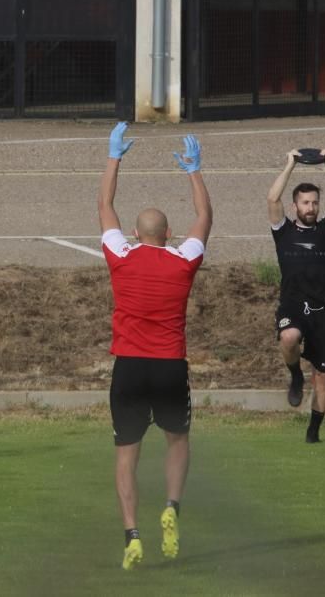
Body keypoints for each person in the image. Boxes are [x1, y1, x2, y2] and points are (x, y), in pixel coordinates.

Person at [98, 123, 212, 570]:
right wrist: (194, 172)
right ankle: (172, 506)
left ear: (138, 233)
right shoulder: (183, 261)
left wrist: (114, 157)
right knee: (178, 440)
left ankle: (132, 533)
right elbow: (205, 217)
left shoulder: (120, 257)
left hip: (128, 367)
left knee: (126, 454)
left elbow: (104, 205)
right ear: (168, 234)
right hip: (169, 367)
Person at [266, 149, 325, 443]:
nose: (311, 207)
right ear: (296, 205)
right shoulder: (284, 231)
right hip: (292, 303)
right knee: (288, 337)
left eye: (315, 202)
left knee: (324, 377)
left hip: (321, 309)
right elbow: (272, 199)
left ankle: (313, 433)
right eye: (305, 202)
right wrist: (289, 163)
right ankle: (294, 374)